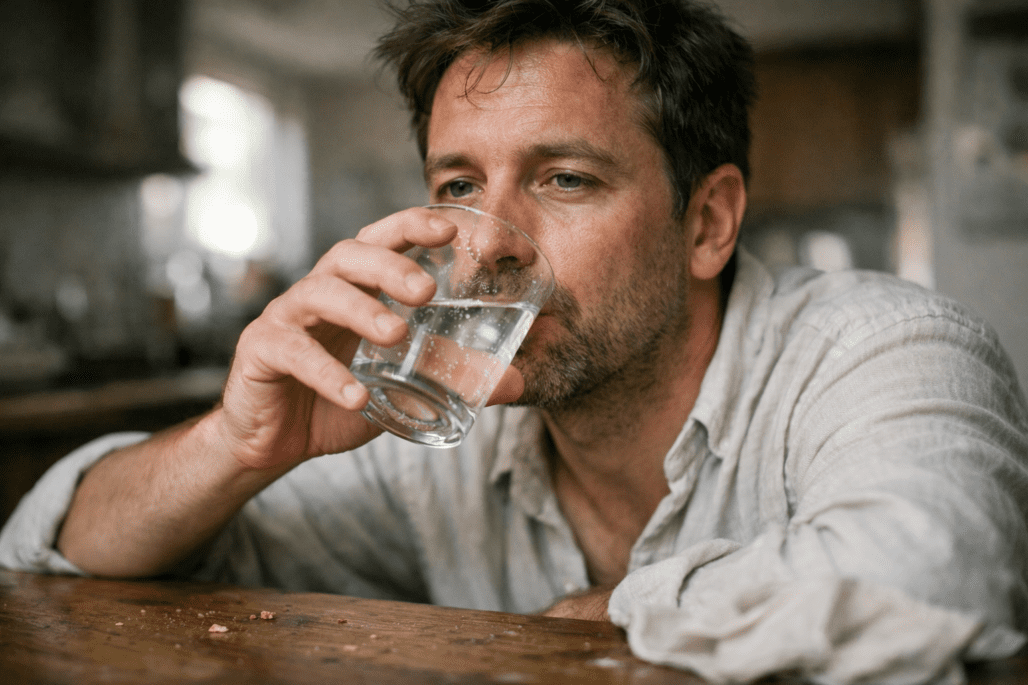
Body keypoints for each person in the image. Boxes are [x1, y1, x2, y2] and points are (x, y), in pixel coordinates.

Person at [3, 0, 1028, 681]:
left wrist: (618, 606)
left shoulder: (882, 347)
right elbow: (55, 556)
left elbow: (930, 580)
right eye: (458, 186)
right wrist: (234, 446)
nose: (489, 247)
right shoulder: (437, 425)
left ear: (706, 224)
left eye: (563, 178)